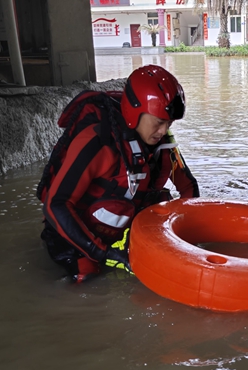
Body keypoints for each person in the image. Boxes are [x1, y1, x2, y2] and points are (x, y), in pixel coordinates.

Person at [36, 65, 199, 282]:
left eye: (169, 123)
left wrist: (186, 241)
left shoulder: (163, 144)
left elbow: (188, 188)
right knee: (87, 279)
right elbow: (55, 205)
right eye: (159, 122)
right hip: (76, 237)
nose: (163, 130)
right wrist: (103, 253)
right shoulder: (97, 141)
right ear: (135, 112)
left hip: (120, 231)